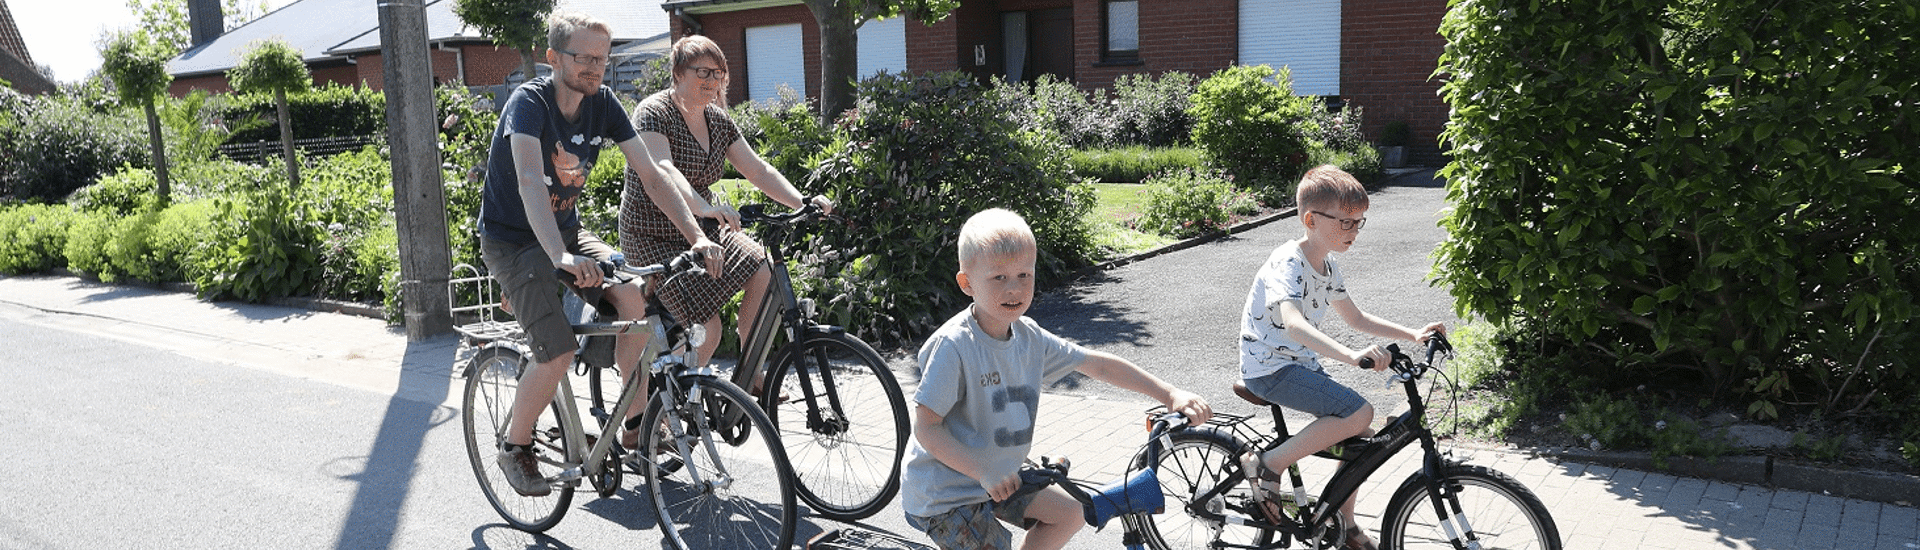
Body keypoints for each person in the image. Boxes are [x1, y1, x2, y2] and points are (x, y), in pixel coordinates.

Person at [479, 11, 723, 497]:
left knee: (633, 297)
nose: (596, 67)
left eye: (603, 58)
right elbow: (530, 180)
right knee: (558, 350)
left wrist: (696, 234)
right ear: (553, 58)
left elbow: (653, 175)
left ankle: (633, 430)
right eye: (584, 57)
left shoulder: (604, 103)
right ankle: (515, 446)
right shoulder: (528, 104)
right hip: (514, 239)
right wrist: (560, 260)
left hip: (565, 231)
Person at [903, 208, 1212, 550]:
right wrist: (982, 470)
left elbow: (1098, 365)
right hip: (946, 493)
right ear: (966, 283)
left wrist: (1169, 394)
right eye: (998, 278)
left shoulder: (1029, 338)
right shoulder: (956, 346)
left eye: (1024, 274)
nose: (1014, 288)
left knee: (1071, 513)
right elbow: (926, 427)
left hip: (1000, 478)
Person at [1236, 165, 1446, 550]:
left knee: (1363, 439)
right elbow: (1294, 324)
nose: (1353, 231)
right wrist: (1351, 356)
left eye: (1359, 223)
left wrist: (1413, 333)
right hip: (1270, 368)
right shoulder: (1289, 262)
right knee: (1359, 413)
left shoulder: (1327, 265)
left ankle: (1344, 524)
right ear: (1311, 219)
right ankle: (1269, 464)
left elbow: (1356, 317)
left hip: (1297, 365)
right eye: (1346, 222)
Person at [618, 34, 834, 369]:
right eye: (702, 72)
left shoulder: (718, 119)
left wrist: (801, 202)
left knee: (764, 269)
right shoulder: (654, 112)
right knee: (708, 331)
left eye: (718, 73)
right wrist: (704, 208)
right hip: (653, 235)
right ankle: (656, 393)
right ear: (677, 73)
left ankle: (751, 371)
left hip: (704, 228)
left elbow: (757, 170)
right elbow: (663, 171)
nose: (712, 81)